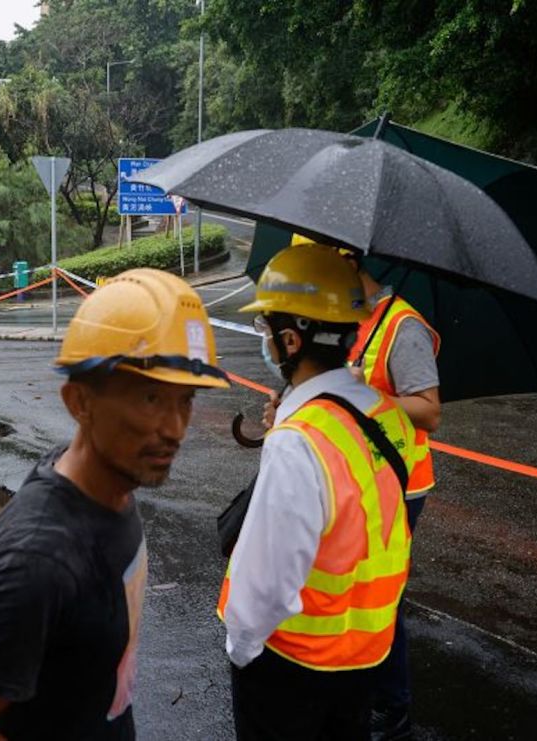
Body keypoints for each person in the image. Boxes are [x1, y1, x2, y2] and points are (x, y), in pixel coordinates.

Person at [0, 268, 229, 741]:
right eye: (151, 397)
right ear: (79, 403)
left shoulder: (113, 485)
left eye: (185, 400)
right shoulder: (38, 562)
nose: (175, 428)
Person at [220, 240, 417, 740]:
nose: (263, 337)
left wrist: (242, 650)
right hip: (364, 653)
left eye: (266, 327)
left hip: (291, 666)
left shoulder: (299, 442)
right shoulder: (384, 414)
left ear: (291, 341)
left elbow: (265, 584)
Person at [346, 254, 441, 741]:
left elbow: (428, 410)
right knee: (354, 591)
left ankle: (393, 710)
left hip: (401, 486)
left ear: (356, 267)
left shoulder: (404, 327)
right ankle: (362, 693)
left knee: (381, 597)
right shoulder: (354, 321)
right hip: (360, 479)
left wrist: (368, 395)